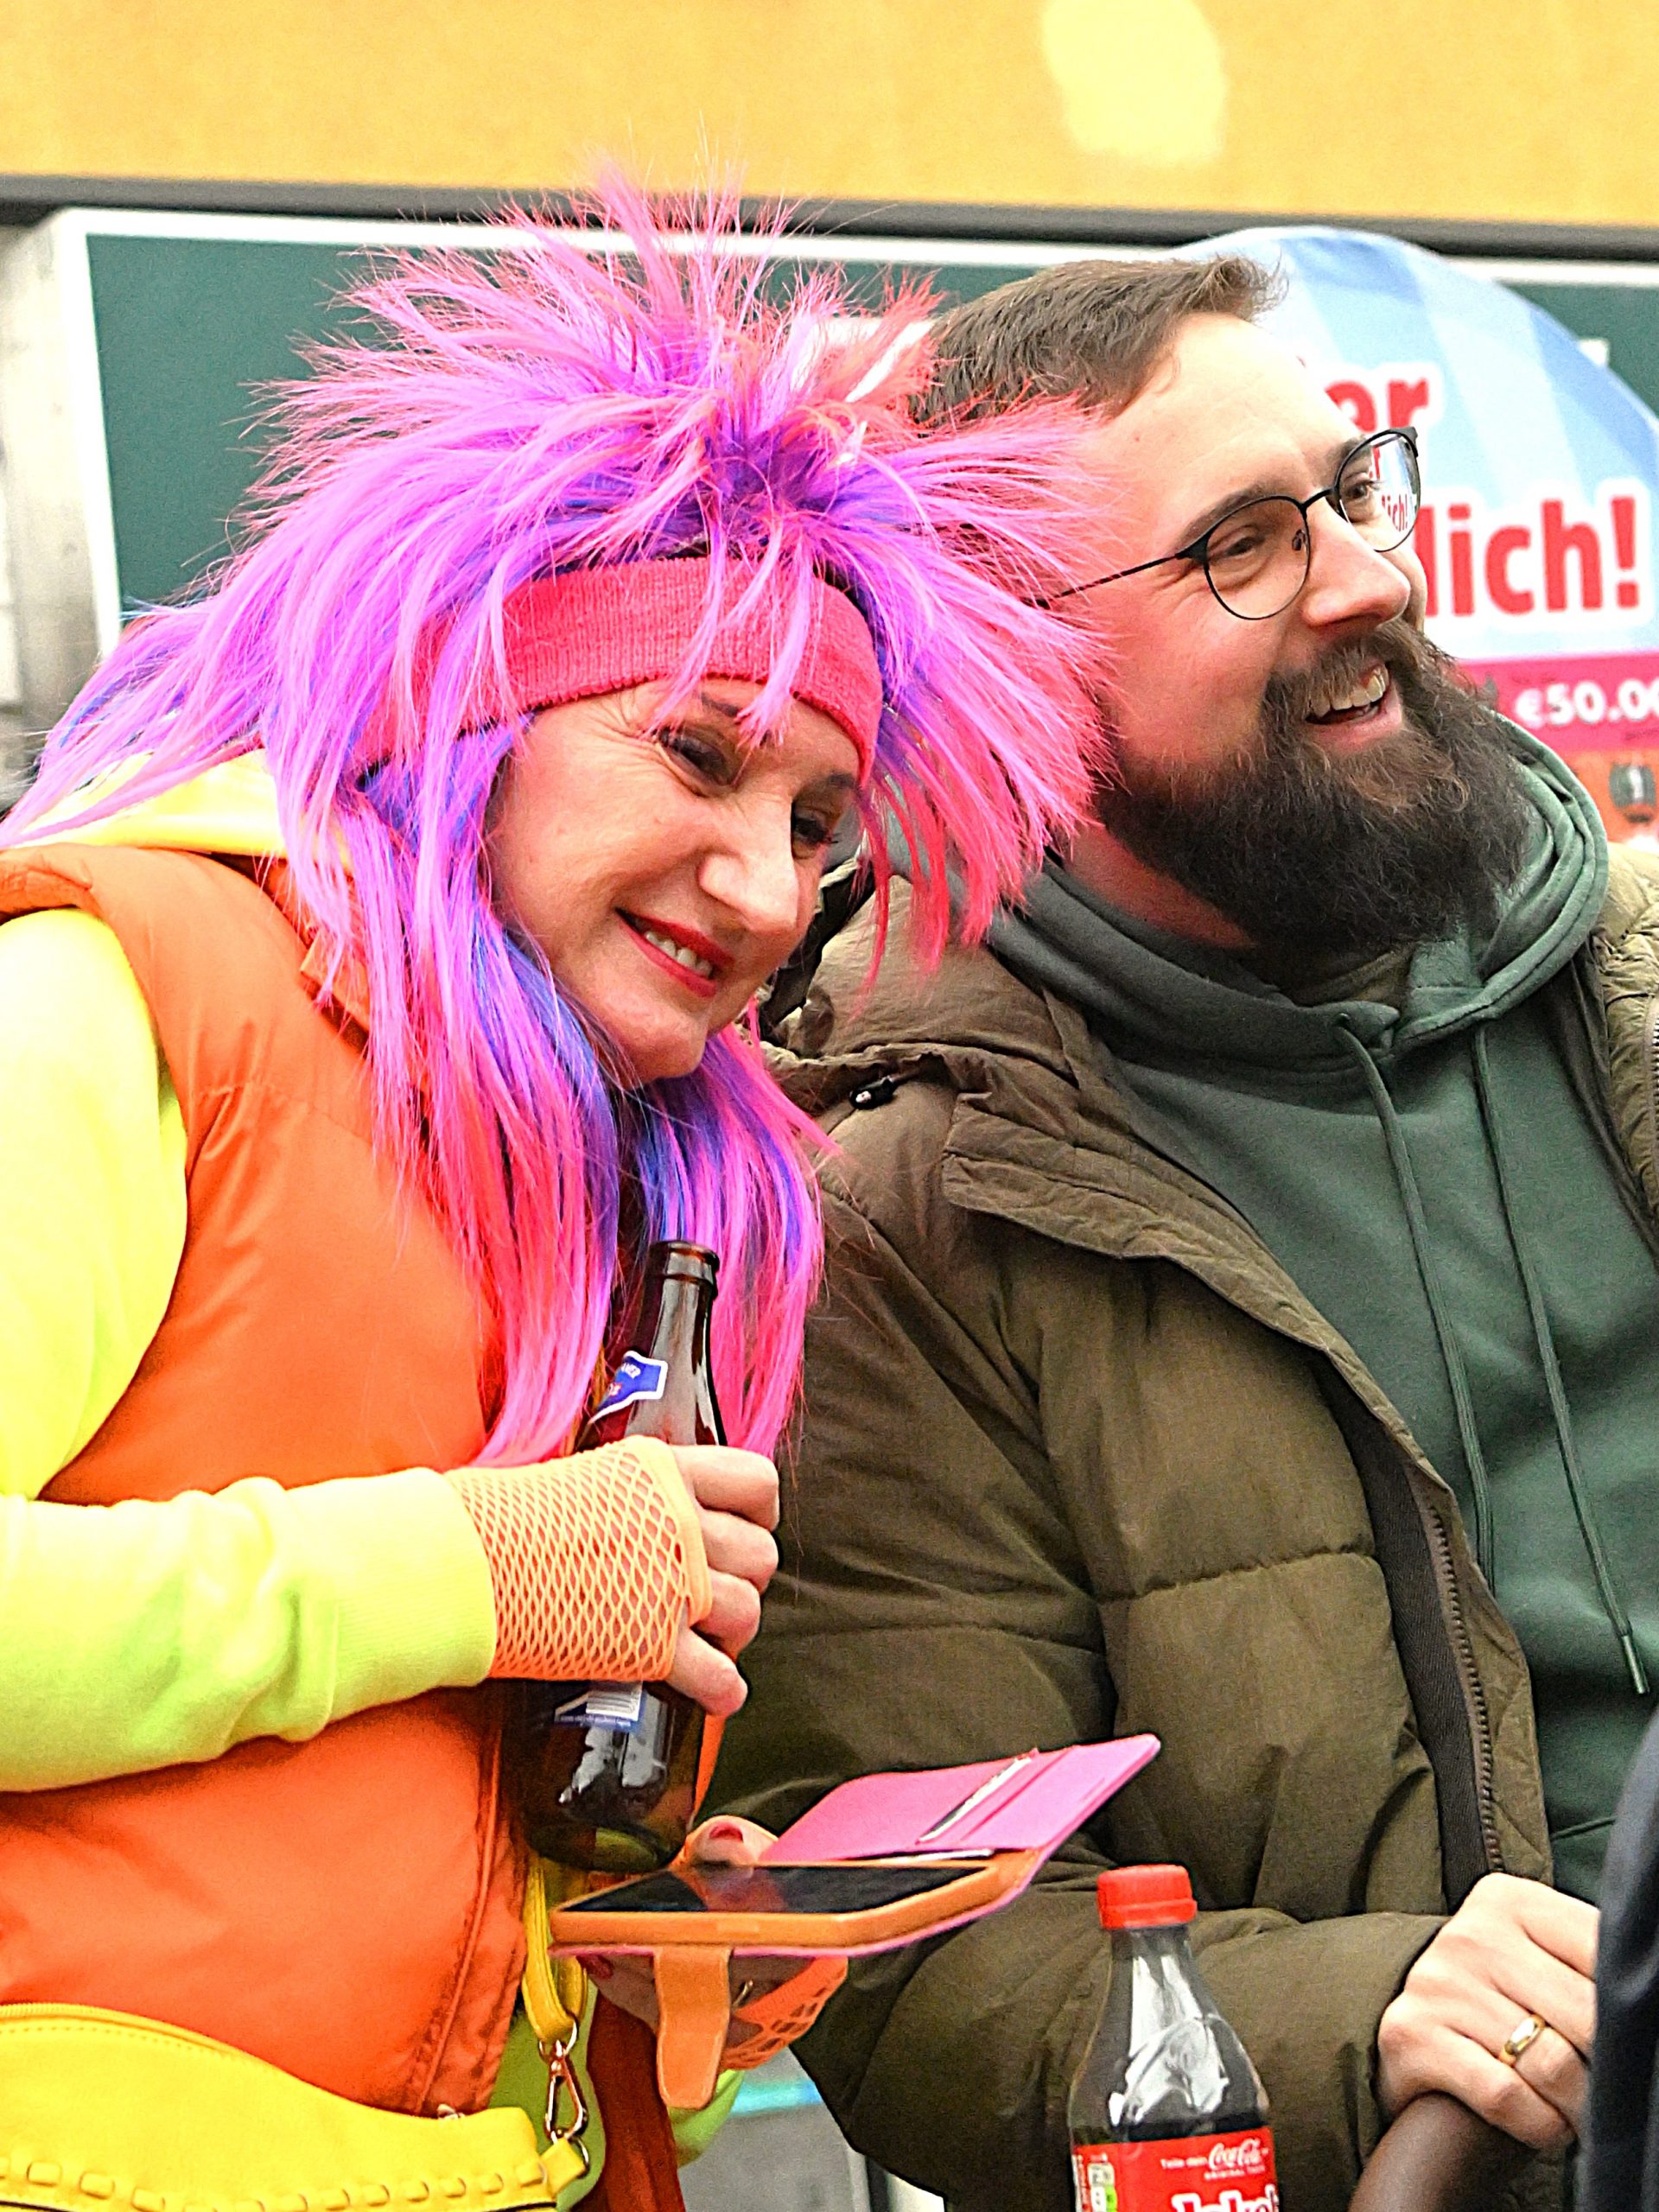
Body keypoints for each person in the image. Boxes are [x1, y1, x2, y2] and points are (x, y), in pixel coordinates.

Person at [0, 193, 1104, 2209]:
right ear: (472, 710)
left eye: (816, 821)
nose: (766, 888)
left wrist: (633, 1958)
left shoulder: (619, 1158)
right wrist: (465, 1566)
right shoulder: (115, 994)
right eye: (695, 753)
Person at [715, 252, 1659, 2212]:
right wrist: (1362, 2012)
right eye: (1242, 545)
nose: (1367, 578)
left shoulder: (1640, 988)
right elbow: (907, 1941)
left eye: (1353, 490)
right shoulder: (910, 1221)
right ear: (1013, 679)